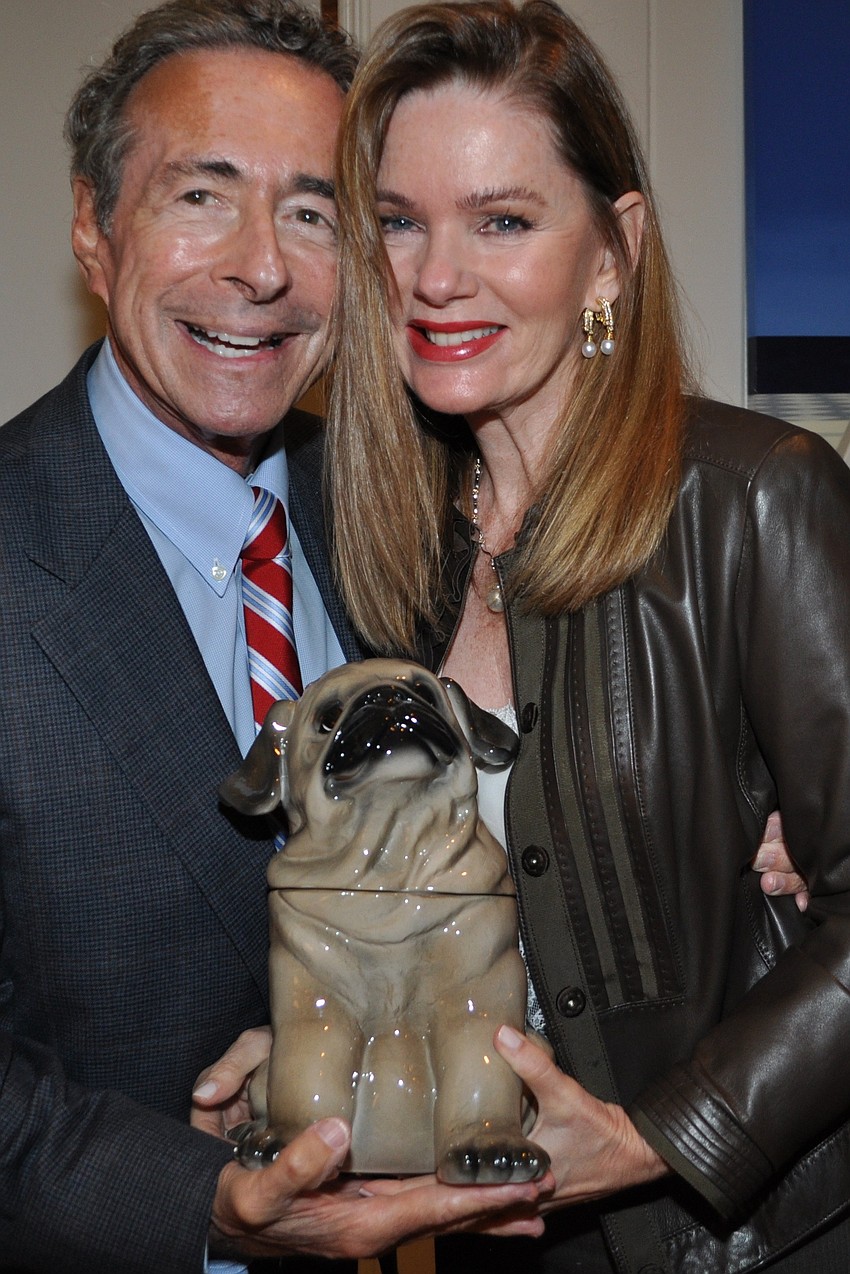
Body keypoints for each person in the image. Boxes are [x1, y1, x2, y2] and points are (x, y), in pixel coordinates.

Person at [0, 2, 554, 1270]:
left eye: (311, 212)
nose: (262, 268)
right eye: (203, 194)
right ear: (94, 227)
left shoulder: (399, 501)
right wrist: (197, 1203)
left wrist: (739, 802)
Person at [320, 1, 850, 1269]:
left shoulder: (753, 496)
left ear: (611, 251)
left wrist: (659, 1133)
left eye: (502, 220)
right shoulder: (385, 551)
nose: (435, 276)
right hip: (494, 1232)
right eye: (398, 221)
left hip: (752, 1235)